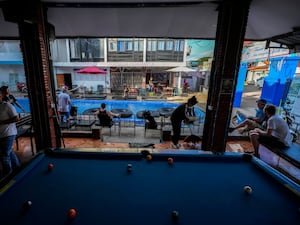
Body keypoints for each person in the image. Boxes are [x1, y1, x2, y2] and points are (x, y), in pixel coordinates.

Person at [0, 91, 20, 178]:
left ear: (0, 96)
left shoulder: (7, 105)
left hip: (9, 133)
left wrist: (3, 122)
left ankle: (7, 175)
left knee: (4, 155)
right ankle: (17, 169)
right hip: (1, 134)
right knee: (9, 152)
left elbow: (16, 118)